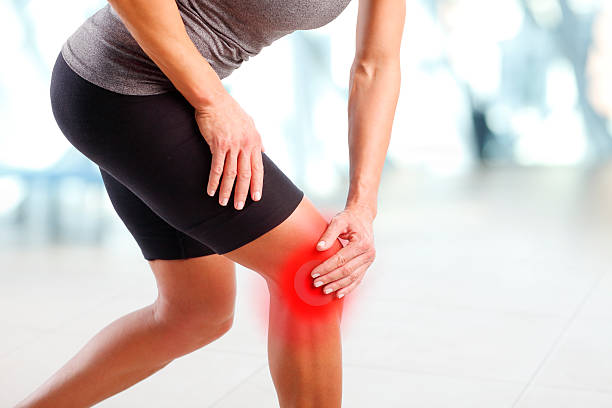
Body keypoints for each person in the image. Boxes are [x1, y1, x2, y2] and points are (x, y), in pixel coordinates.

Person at [17, 0, 404, 406]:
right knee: (310, 265)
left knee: (196, 313)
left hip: (166, 92)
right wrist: (213, 102)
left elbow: (376, 65)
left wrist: (363, 204)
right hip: (126, 85)